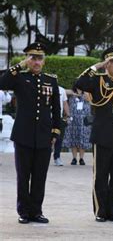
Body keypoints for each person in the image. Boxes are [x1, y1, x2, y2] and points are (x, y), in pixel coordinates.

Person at [74, 45, 113, 222]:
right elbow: (79, 84)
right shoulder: (98, 81)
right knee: (101, 176)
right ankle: (101, 211)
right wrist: (97, 66)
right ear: (107, 64)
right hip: (102, 137)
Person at [0, 42, 61, 224]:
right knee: (23, 176)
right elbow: (1, 83)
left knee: (40, 176)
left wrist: (55, 132)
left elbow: (56, 110)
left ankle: (37, 211)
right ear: (28, 59)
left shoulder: (51, 80)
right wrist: (19, 65)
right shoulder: (19, 77)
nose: (36, 62)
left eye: (39, 58)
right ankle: (24, 212)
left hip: (44, 135)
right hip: (23, 135)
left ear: (44, 61)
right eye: (33, 58)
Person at [62, 88, 92, 165]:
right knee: (73, 138)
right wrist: (73, 93)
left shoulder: (87, 93)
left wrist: (85, 93)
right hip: (73, 119)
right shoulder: (72, 93)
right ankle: (74, 158)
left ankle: (81, 158)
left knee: (83, 139)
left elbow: (91, 100)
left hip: (84, 119)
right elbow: (63, 91)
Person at [53, 85, 69, 166]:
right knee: (46, 138)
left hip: (58, 117)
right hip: (46, 117)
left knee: (59, 139)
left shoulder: (62, 90)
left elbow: (65, 103)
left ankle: (57, 157)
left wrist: (68, 115)